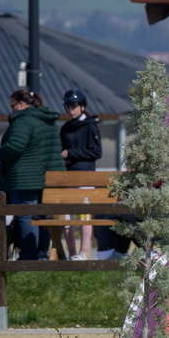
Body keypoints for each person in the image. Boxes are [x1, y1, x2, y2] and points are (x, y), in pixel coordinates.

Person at [0, 90, 64, 260]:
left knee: (25, 215)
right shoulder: (48, 120)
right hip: (49, 178)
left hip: (25, 178)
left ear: (22, 104)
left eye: (13, 105)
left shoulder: (23, 120)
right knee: (41, 216)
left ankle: (28, 257)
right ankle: (42, 255)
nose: (12, 110)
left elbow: (15, 146)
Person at [60, 89, 102, 260]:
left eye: (74, 106)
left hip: (85, 176)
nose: (71, 109)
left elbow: (96, 152)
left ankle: (84, 251)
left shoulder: (91, 125)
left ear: (82, 106)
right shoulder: (65, 128)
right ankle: (71, 253)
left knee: (84, 213)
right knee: (67, 214)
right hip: (69, 175)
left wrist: (71, 153)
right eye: (68, 106)